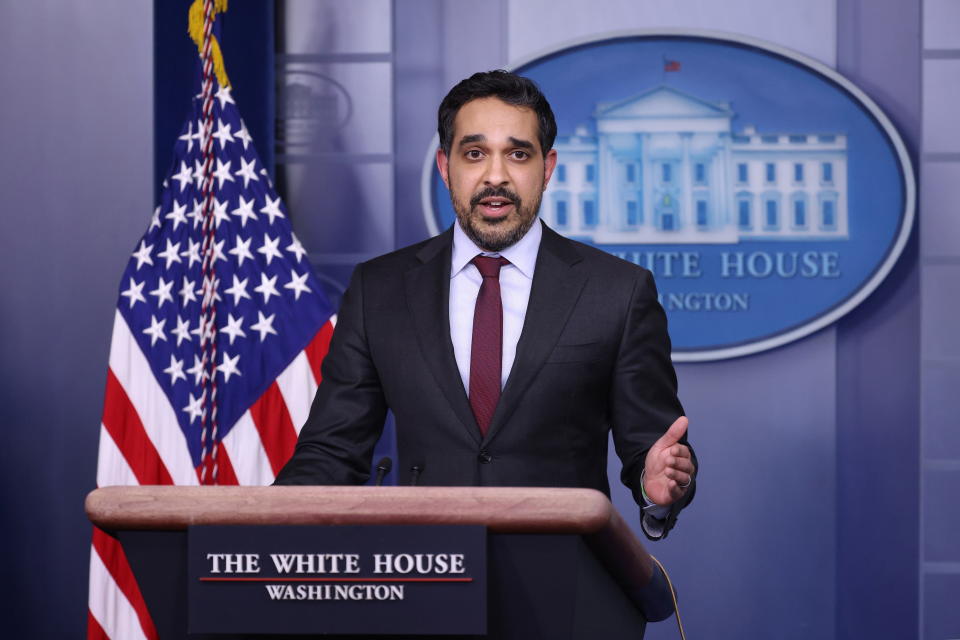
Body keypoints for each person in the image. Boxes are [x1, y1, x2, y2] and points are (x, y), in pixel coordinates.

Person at [275, 70, 696, 540]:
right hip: (425, 583)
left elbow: (653, 450)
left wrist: (654, 482)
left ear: (547, 167)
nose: (496, 176)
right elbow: (333, 451)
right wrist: (259, 533)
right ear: (444, 166)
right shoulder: (380, 289)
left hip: (568, 589)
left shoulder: (617, 290)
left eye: (518, 154)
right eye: (474, 154)